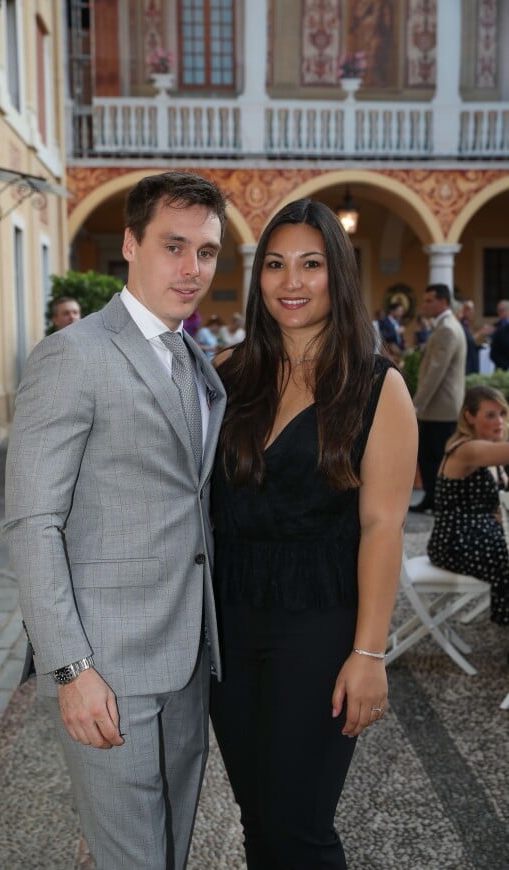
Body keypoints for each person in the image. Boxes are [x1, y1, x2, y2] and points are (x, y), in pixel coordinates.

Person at [3, 171, 227, 870]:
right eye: (174, 246)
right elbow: (33, 522)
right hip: (107, 667)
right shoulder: (74, 355)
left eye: (209, 252)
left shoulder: (195, 358)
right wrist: (70, 667)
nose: (192, 270)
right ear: (130, 245)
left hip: (188, 657)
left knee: (170, 853)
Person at [210, 199, 417, 868]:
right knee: (259, 820)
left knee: (300, 825)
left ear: (340, 276)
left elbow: (384, 524)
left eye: (310, 264)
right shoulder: (226, 377)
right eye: (274, 265)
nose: (290, 282)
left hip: (321, 627)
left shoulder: (377, 386)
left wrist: (370, 654)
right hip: (229, 624)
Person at [427, 385, 509, 626]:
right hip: (455, 541)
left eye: (502, 413)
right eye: (490, 415)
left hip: (481, 535)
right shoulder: (467, 449)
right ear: (469, 417)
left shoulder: (489, 452)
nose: (499, 421)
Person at [410, 284, 466, 513]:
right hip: (439, 407)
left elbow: (435, 372)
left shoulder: (447, 329)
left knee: (434, 457)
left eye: (429, 300)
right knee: (429, 456)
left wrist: (416, 405)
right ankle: (432, 499)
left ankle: (439, 501)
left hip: (440, 408)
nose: (424, 305)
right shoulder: (444, 326)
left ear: (443, 301)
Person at [489, 299, 509, 371]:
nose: (499, 313)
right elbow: (493, 354)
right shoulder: (497, 328)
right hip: (503, 370)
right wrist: (506, 366)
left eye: (502, 310)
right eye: (498, 310)